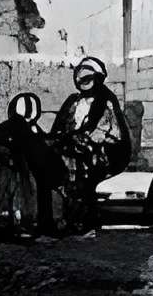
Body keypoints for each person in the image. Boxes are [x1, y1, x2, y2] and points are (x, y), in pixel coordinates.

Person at [50, 57, 134, 229]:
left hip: (105, 151)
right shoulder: (73, 100)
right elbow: (59, 127)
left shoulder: (106, 101)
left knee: (80, 171)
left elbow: (104, 131)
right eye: (79, 78)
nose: (81, 82)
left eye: (87, 78)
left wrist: (77, 140)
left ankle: (83, 218)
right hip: (77, 147)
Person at [0, 90, 58, 242]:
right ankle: (8, 223)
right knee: (6, 196)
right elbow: (1, 139)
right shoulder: (16, 126)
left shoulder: (27, 127)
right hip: (8, 168)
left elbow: (39, 143)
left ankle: (9, 222)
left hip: (15, 167)